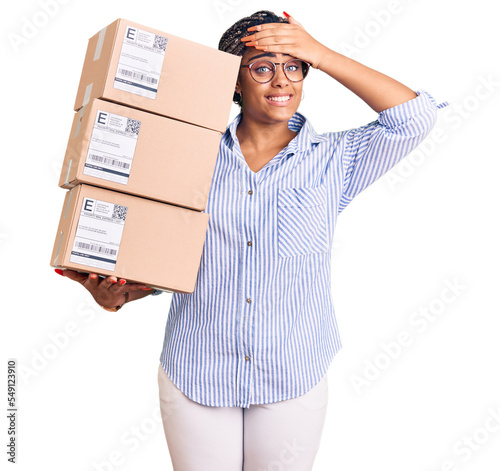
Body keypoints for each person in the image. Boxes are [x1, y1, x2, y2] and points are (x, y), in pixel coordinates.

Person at [55, 10, 447, 470]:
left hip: (291, 371)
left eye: (293, 66)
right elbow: (165, 254)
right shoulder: (186, 155)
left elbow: (414, 118)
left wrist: (319, 53)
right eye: (262, 67)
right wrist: (117, 295)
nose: (281, 81)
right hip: (197, 369)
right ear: (234, 82)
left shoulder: (336, 160)